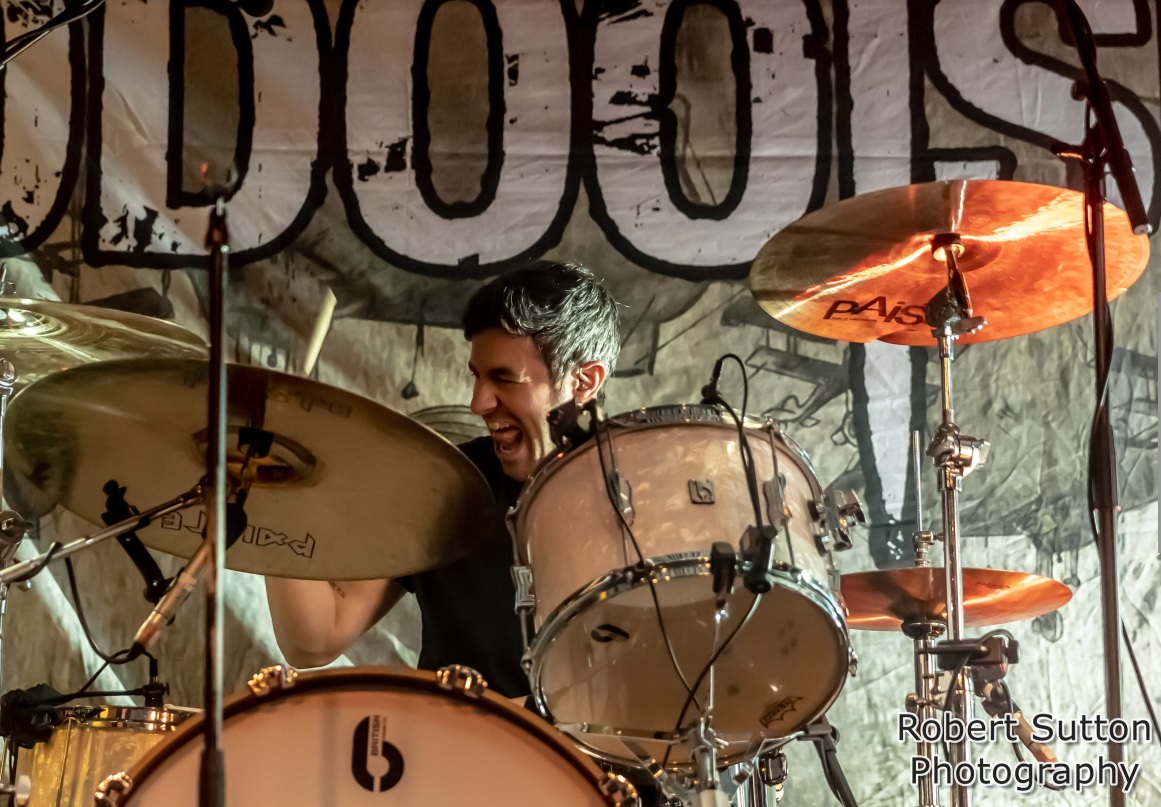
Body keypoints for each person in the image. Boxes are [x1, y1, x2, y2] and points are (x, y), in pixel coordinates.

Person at [264, 260, 621, 699]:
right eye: (477, 376)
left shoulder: (645, 501)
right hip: (443, 742)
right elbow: (315, 639)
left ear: (584, 381)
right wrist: (274, 490)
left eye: (504, 379)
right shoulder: (447, 486)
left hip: (583, 747)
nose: (478, 403)